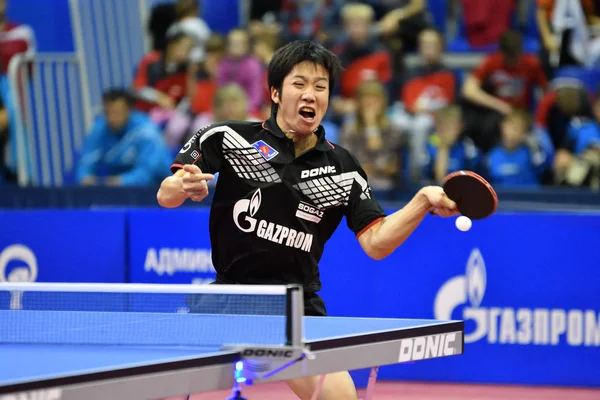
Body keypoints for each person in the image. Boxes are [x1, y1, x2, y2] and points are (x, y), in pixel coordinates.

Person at [156, 40, 458, 400]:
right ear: (275, 92)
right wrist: (181, 184)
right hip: (230, 298)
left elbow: (376, 243)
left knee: (340, 397)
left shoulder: (343, 168)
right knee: (160, 384)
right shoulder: (227, 137)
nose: (310, 95)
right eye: (299, 84)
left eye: (320, 87)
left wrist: (422, 201)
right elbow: (166, 195)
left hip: (296, 308)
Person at [76, 89, 171, 187]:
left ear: (129, 111)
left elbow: (147, 173)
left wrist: (118, 181)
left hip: (157, 187)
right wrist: (85, 178)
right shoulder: (99, 129)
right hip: (118, 190)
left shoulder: (147, 131)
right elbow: (86, 163)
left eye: (117, 112)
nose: (112, 118)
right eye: (108, 112)